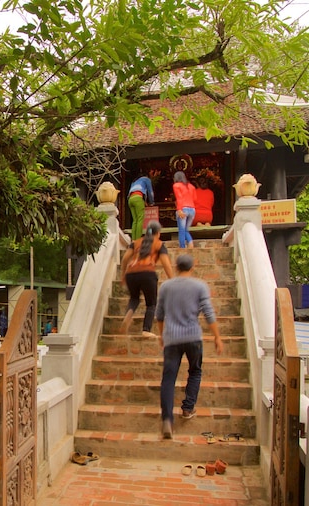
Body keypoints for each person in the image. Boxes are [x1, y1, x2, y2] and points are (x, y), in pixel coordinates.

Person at [155, 253, 223, 439]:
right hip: (193, 337)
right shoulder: (199, 286)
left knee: (168, 378)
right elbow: (209, 313)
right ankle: (187, 408)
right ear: (192, 268)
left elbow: (159, 314)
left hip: (172, 339)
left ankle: (167, 419)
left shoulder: (166, 287)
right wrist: (217, 337)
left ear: (176, 267)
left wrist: (161, 336)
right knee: (195, 371)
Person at [119, 220, 174, 338]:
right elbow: (166, 264)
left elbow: (124, 259)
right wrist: (173, 280)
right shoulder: (159, 244)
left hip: (131, 274)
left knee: (134, 298)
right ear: (158, 233)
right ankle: (146, 329)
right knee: (151, 304)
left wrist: (123, 275)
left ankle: (129, 313)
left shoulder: (136, 242)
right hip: (148, 273)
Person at [127, 173, 155, 241]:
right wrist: (151, 202)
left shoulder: (134, 182)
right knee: (140, 219)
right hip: (138, 198)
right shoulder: (146, 179)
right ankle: (138, 240)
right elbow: (150, 192)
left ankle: (133, 240)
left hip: (130, 200)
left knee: (135, 220)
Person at [172, 170, 196, 249]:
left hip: (183, 208)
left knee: (182, 230)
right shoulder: (191, 186)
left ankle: (182, 247)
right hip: (192, 209)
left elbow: (179, 198)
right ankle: (190, 242)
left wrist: (179, 210)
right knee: (186, 229)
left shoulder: (176, 185)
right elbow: (195, 199)